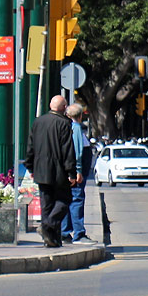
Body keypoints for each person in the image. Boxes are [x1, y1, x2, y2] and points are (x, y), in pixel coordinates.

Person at [23, 96, 77, 248]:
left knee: (46, 203)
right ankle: (47, 226)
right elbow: (67, 150)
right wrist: (71, 172)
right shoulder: (64, 124)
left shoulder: (38, 122)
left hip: (40, 169)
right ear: (64, 107)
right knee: (64, 200)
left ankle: (51, 239)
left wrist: (30, 166)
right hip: (58, 170)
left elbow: (30, 146)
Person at [60, 104, 94, 244]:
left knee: (69, 200)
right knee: (77, 200)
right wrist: (78, 171)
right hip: (76, 173)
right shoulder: (76, 129)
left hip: (70, 172)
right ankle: (78, 233)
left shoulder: (67, 128)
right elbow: (77, 152)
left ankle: (65, 232)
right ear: (80, 116)